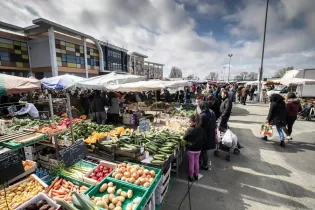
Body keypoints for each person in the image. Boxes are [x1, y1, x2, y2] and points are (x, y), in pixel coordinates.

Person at [183, 114, 203, 181]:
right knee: (196, 161)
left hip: (191, 149)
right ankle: (196, 175)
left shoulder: (189, 129)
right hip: (199, 149)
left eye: (190, 121)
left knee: (191, 162)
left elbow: (184, 138)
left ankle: (190, 177)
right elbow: (204, 138)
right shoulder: (201, 128)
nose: (189, 122)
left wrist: (186, 131)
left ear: (194, 122)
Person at [198, 101, 216, 170]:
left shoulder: (202, 116)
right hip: (210, 134)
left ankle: (205, 165)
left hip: (204, 135)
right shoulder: (212, 113)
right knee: (204, 150)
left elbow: (198, 126)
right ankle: (201, 161)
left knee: (203, 150)